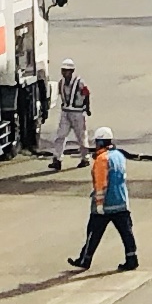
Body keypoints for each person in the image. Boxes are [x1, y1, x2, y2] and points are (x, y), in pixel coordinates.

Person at [69, 125, 137, 272]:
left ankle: (84, 260)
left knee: (93, 233)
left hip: (105, 205)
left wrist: (99, 204)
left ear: (100, 142)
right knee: (126, 233)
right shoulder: (119, 155)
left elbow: (101, 184)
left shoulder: (102, 159)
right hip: (121, 201)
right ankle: (132, 259)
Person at [48, 58, 92, 170]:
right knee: (60, 136)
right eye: (63, 70)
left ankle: (85, 158)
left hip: (78, 113)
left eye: (67, 70)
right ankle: (57, 159)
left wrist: (87, 108)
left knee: (81, 137)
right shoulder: (61, 83)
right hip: (66, 113)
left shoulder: (79, 82)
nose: (64, 73)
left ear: (72, 71)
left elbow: (87, 94)